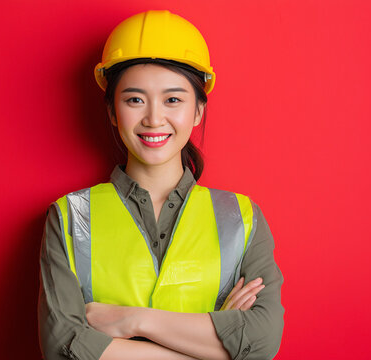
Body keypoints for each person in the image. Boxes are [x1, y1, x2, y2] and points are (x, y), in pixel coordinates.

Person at [38, 10, 284, 360]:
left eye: (173, 99)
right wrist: (217, 348)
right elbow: (61, 347)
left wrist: (132, 321)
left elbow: (262, 344)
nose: (154, 118)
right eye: (134, 99)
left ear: (198, 110)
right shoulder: (69, 217)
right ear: (112, 111)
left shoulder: (241, 218)